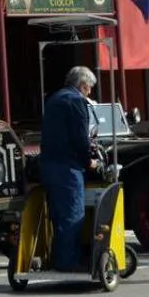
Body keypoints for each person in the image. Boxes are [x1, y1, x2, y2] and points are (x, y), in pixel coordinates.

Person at [39, 66, 99, 272]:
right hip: (68, 167)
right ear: (83, 85)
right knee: (73, 215)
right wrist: (89, 161)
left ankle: (58, 258)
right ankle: (68, 262)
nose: (90, 92)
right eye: (90, 88)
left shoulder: (54, 99)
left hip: (48, 163)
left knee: (57, 215)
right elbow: (80, 138)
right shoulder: (76, 101)